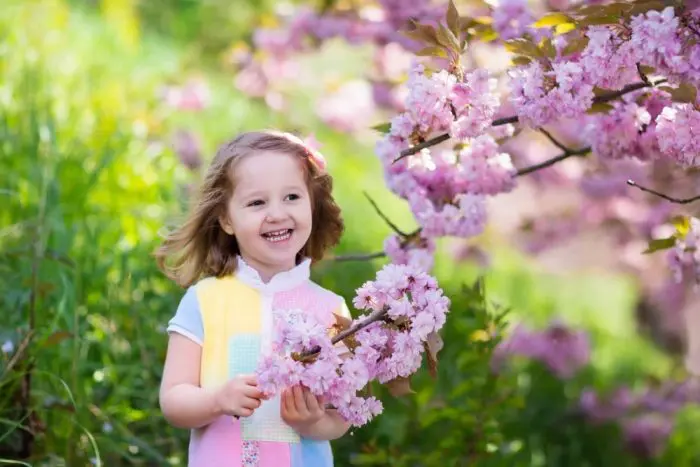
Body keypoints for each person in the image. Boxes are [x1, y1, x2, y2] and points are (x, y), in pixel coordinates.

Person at [155, 130, 352, 467]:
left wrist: (313, 422)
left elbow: (343, 413)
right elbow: (174, 400)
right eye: (257, 202)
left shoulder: (330, 309)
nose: (276, 213)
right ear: (227, 219)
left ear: (312, 203)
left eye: (291, 197)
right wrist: (217, 400)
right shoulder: (205, 300)